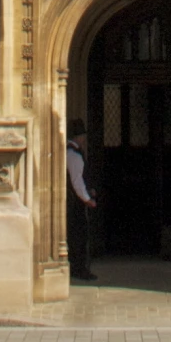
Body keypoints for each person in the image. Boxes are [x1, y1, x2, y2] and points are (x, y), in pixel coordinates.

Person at [65, 120, 97, 282]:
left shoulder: (72, 152)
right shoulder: (73, 154)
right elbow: (77, 181)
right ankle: (79, 268)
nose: (84, 139)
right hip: (74, 203)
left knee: (76, 235)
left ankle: (77, 267)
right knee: (79, 236)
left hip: (73, 201)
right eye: (82, 136)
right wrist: (87, 199)